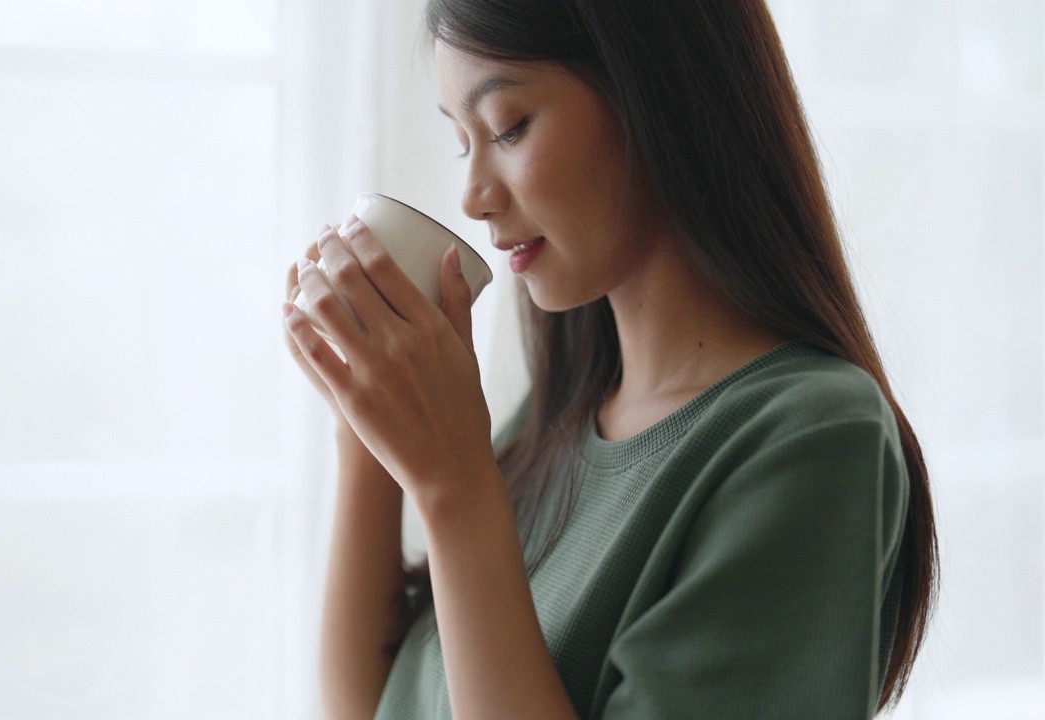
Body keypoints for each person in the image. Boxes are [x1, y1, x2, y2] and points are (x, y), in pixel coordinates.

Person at [281, 0, 938, 718]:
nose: (474, 196)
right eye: (462, 143)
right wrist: (364, 420)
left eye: (508, 126)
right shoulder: (554, 424)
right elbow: (373, 707)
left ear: (658, 92)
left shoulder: (810, 437)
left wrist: (455, 487)